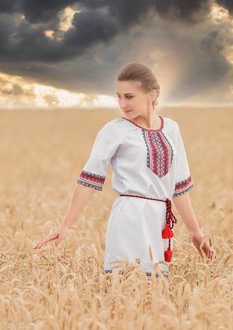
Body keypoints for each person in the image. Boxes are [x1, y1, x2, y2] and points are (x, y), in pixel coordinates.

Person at [33, 62, 215, 280]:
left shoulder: (172, 129)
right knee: (126, 287)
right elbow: (88, 180)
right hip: (129, 216)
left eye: (129, 97)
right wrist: (65, 225)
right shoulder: (114, 130)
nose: (122, 104)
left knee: (157, 290)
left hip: (160, 221)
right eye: (118, 97)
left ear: (152, 94)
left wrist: (195, 231)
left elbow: (179, 188)